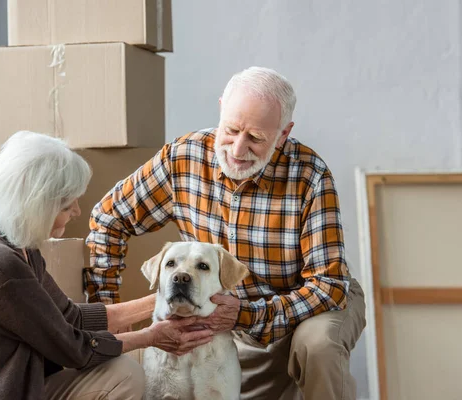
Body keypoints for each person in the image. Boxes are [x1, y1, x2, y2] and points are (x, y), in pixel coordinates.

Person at [83, 67, 367, 400]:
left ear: (283, 134)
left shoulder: (310, 175)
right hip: (230, 319)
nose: (237, 148)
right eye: (231, 130)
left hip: (310, 302)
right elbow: (108, 218)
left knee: (317, 346)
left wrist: (245, 314)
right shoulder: (183, 157)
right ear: (221, 109)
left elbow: (328, 285)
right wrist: (108, 311)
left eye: (257, 138)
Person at [0, 131, 214, 400]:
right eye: (68, 205)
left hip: (6, 385)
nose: (78, 212)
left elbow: (67, 316)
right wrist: (152, 336)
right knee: (123, 376)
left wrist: (163, 300)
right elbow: (73, 348)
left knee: (120, 372)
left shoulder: (11, 238)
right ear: (36, 204)